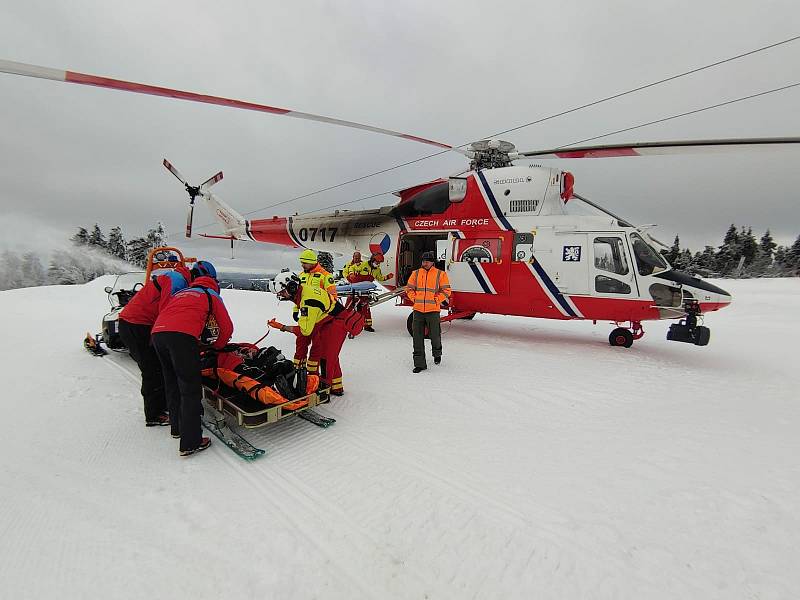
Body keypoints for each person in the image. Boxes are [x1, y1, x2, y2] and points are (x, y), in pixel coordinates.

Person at [151, 261, 234, 456]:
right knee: (190, 389)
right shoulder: (210, 295)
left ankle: (177, 429)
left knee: (172, 383)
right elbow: (226, 328)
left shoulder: (181, 293)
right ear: (214, 282)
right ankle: (191, 442)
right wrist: (217, 347)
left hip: (158, 335)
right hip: (181, 337)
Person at [118, 263, 192, 426]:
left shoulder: (173, 277)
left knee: (158, 366)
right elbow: (166, 311)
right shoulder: (178, 281)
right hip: (137, 325)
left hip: (135, 324)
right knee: (152, 370)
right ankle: (154, 415)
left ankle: (162, 406)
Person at [268, 271, 354, 396]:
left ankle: (325, 388)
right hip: (328, 320)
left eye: (282, 292)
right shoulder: (305, 290)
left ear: (292, 287)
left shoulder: (308, 302)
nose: (281, 296)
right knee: (331, 356)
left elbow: (305, 331)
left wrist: (282, 327)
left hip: (336, 323)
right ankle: (337, 386)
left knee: (326, 358)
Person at [406, 251, 451, 373]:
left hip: (433, 311)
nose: (424, 263)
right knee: (417, 338)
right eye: (423, 261)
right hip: (418, 311)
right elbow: (409, 288)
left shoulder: (440, 274)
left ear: (432, 262)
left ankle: (437, 354)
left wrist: (436, 299)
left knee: (435, 336)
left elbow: (446, 290)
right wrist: (414, 298)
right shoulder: (415, 273)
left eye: (427, 261)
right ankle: (419, 364)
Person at [345, 252, 394, 332]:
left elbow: (380, 278)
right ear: (372, 260)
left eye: (379, 263)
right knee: (348, 307)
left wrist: (388, 277)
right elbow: (352, 268)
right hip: (355, 290)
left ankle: (367, 326)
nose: (377, 264)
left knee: (365, 309)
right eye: (376, 262)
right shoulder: (362, 264)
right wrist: (351, 274)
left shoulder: (377, 270)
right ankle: (343, 323)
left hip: (365, 292)